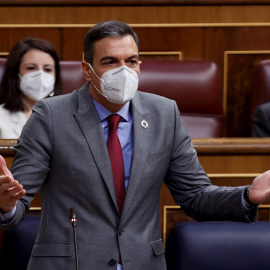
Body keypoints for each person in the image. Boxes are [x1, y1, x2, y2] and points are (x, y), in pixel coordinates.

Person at [0, 20, 270, 270]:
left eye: (131, 61)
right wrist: (5, 204)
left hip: (142, 263)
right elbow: (17, 201)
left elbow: (195, 196)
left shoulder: (164, 114)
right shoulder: (51, 115)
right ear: (87, 70)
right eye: (110, 62)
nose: (124, 71)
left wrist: (247, 196)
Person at [0, 37, 61, 139]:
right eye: (31, 68)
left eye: (47, 69)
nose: (40, 75)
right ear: (15, 74)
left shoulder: (70, 116)